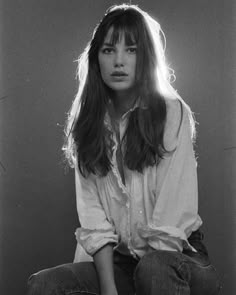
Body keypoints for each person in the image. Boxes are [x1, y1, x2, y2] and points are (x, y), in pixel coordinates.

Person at [27, 4, 221, 295]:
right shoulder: (88, 125)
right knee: (44, 284)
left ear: (146, 58)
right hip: (121, 264)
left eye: (131, 50)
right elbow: (94, 221)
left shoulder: (172, 113)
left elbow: (170, 224)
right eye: (108, 50)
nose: (119, 61)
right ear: (96, 59)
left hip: (178, 262)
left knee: (154, 269)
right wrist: (109, 289)